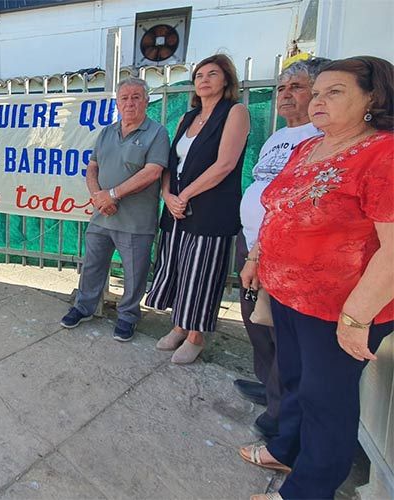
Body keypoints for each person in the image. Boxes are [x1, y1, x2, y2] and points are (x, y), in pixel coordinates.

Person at [240, 56, 393, 500]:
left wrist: (357, 317)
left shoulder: (383, 154)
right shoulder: (311, 146)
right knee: (294, 381)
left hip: (340, 308)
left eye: (335, 92)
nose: (318, 100)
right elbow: (279, 208)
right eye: (318, 91)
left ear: (372, 98)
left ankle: (307, 491)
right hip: (290, 295)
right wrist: (257, 256)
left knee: (327, 401)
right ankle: (287, 448)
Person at [234, 58, 327, 441]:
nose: (286, 95)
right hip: (253, 241)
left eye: (297, 87)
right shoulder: (277, 136)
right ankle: (267, 386)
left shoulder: (319, 136)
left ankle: (281, 411)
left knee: (282, 329)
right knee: (255, 320)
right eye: (281, 89)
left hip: (283, 249)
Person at [144, 54, 250, 364]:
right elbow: (170, 163)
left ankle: (196, 336)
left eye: (212, 74)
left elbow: (226, 164)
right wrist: (167, 194)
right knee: (178, 268)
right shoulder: (186, 118)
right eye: (199, 75)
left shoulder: (235, 112)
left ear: (226, 80)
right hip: (176, 208)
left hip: (211, 208)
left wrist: (185, 195)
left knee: (202, 273)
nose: (204, 80)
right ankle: (179, 326)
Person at [60, 78, 171, 341]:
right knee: (92, 266)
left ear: (146, 101)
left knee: (135, 274)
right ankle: (84, 307)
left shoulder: (157, 133)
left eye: (135, 97)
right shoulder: (107, 132)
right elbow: (92, 167)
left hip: (135, 221)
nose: (129, 103)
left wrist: (112, 195)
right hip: (102, 216)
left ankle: (128, 316)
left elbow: (153, 172)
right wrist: (99, 198)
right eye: (124, 98)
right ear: (117, 103)